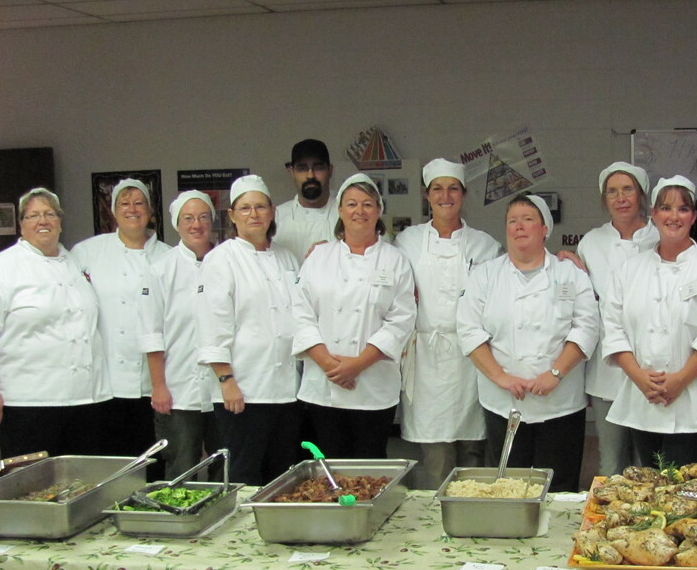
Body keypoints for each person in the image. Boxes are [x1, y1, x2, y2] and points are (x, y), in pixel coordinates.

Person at [456, 194, 598, 492]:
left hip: (560, 404)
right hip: (504, 402)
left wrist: (555, 374)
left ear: (545, 228)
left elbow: (586, 328)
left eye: (528, 219)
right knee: (509, 487)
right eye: (512, 221)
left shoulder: (570, 274)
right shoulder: (484, 275)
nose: (519, 226)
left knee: (559, 486)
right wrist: (501, 377)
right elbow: (469, 331)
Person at [0, 188, 110, 456]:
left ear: (60, 221)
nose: (42, 221)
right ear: (21, 224)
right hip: (28, 402)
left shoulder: (75, 263)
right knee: (33, 483)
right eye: (33, 215)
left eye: (49, 214)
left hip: (86, 399)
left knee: (82, 482)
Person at [602, 176, 697, 468]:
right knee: (652, 491)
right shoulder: (628, 270)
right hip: (643, 400)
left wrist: (680, 379)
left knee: (693, 496)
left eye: (683, 209)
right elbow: (613, 327)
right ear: (653, 215)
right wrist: (640, 377)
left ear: (693, 216)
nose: (673, 216)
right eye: (666, 208)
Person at [293, 173, 416, 459]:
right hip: (324, 385)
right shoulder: (318, 256)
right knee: (328, 468)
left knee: (370, 467)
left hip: (372, 385)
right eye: (351, 204)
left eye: (367, 204)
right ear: (339, 210)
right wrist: (329, 364)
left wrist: (357, 365)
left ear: (379, 211)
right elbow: (300, 313)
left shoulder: (395, 260)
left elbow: (402, 319)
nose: (359, 211)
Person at [394, 159, 502, 488]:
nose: (446, 195)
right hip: (426, 355)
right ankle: (437, 513)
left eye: (452, 188)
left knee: (473, 446)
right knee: (436, 449)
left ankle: (474, 510)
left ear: (464, 194)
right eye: (438, 189)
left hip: (471, 355)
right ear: (427, 195)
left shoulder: (486, 245)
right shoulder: (406, 241)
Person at [197, 175, 300, 485]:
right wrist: (226, 380)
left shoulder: (287, 258)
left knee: (282, 474)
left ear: (271, 212)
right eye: (244, 208)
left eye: (259, 207)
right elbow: (213, 325)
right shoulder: (221, 260)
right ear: (232, 215)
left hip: (286, 390)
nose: (253, 214)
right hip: (243, 390)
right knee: (244, 474)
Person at [72, 178, 171, 456]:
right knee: (112, 458)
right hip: (106, 380)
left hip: (153, 382)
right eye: (124, 203)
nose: (132, 209)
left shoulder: (168, 256)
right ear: (113, 212)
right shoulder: (87, 252)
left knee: (152, 458)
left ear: (151, 212)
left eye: (139, 203)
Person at [574, 162, 660, 476]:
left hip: (651, 365)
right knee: (610, 462)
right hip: (606, 368)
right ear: (604, 199)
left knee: (646, 464)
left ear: (641, 196)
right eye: (612, 191)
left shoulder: (660, 237)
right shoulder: (591, 242)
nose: (620, 197)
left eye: (627, 189)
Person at [138, 191, 219, 479]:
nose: (196, 224)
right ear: (177, 224)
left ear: (212, 220)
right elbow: (151, 333)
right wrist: (158, 385)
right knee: (181, 465)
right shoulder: (161, 269)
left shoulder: (226, 260)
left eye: (202, 217)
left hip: (225, 389)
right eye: (188, 218)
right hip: (178, 388)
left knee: (226, 464)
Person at [274, 139, 337, 264]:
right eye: (302, 168)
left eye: (318, 167)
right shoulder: (276, 218)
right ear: (291, 172)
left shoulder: (350, 216)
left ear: (330, 170)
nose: (310, 175)